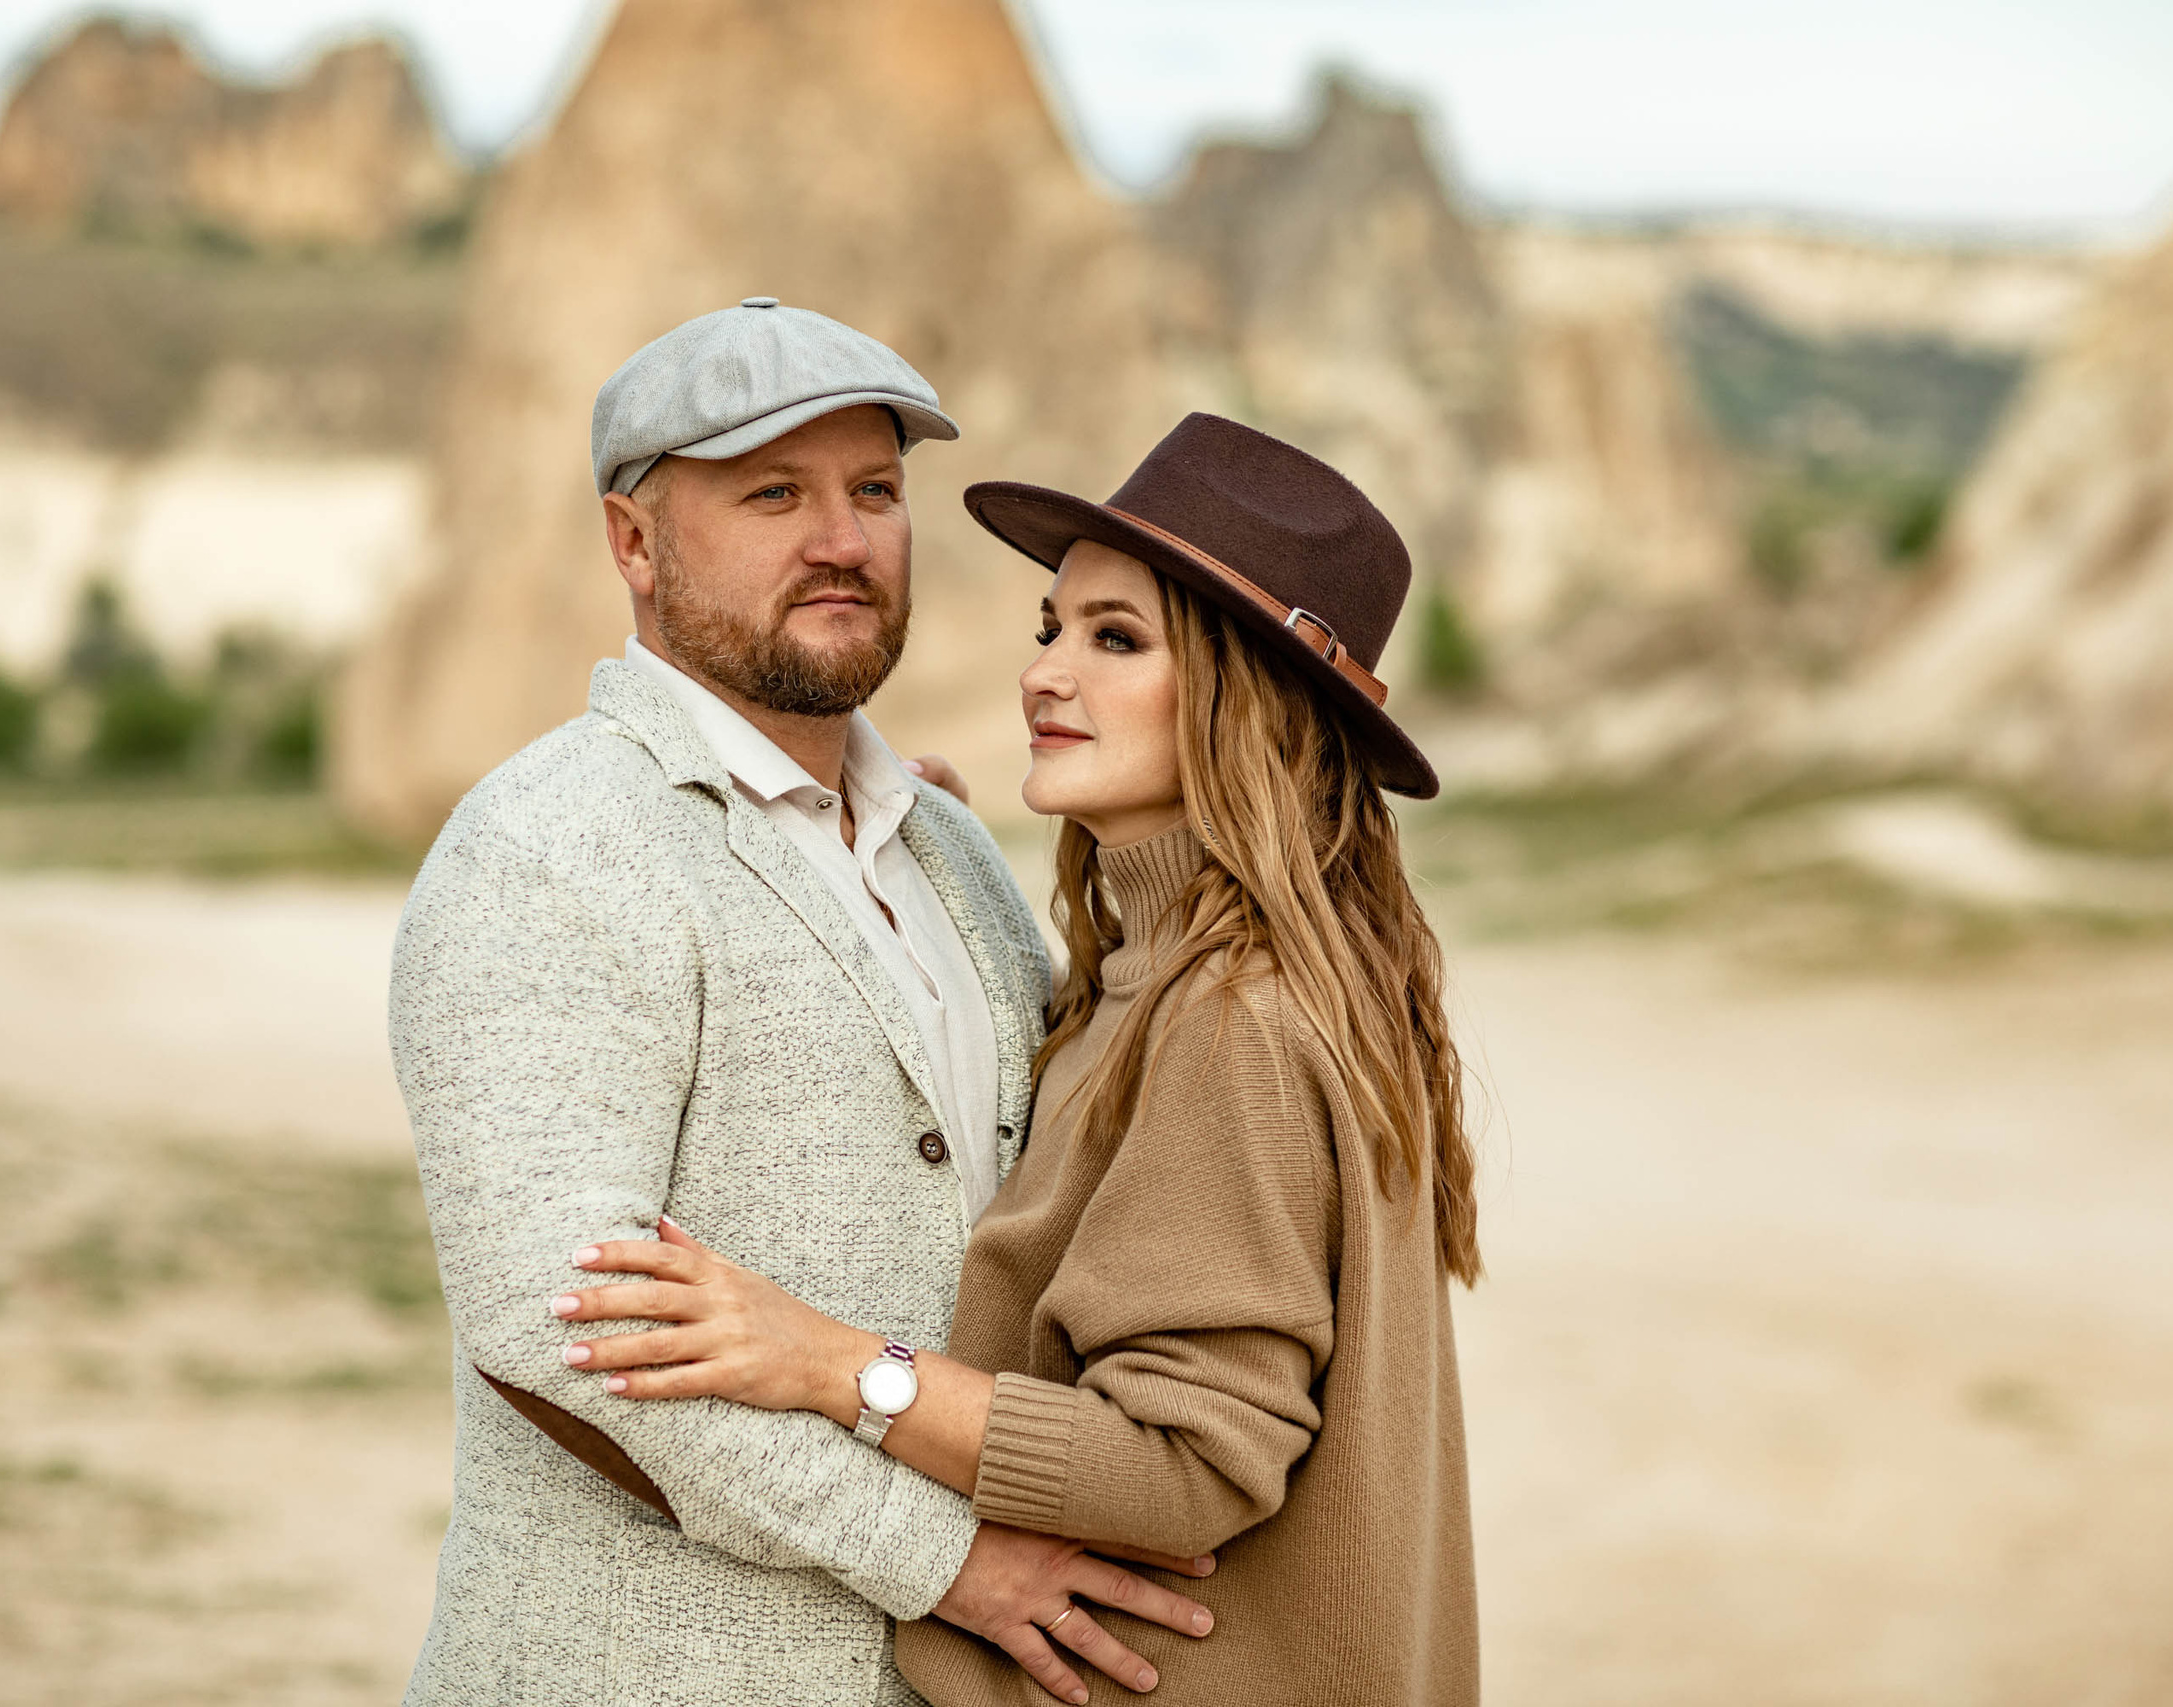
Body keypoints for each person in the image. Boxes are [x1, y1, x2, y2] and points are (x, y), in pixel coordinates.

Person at [549, 412, 1485, 1704]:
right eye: (1052, 629)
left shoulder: (1228, 1018)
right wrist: (902, 883)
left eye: (1117, 640)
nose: (1048, 675)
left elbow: (1184, 1466)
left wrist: (827, 1362)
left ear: (1246, 693)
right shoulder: (1183, 978)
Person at [389, 301, 1214, 1706]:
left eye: (876, 491)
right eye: (774, 492)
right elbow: (558, 1337)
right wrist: (946, 1562)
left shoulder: (949, 849)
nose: (844, 538)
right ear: (634, 544)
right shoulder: (546, 846)